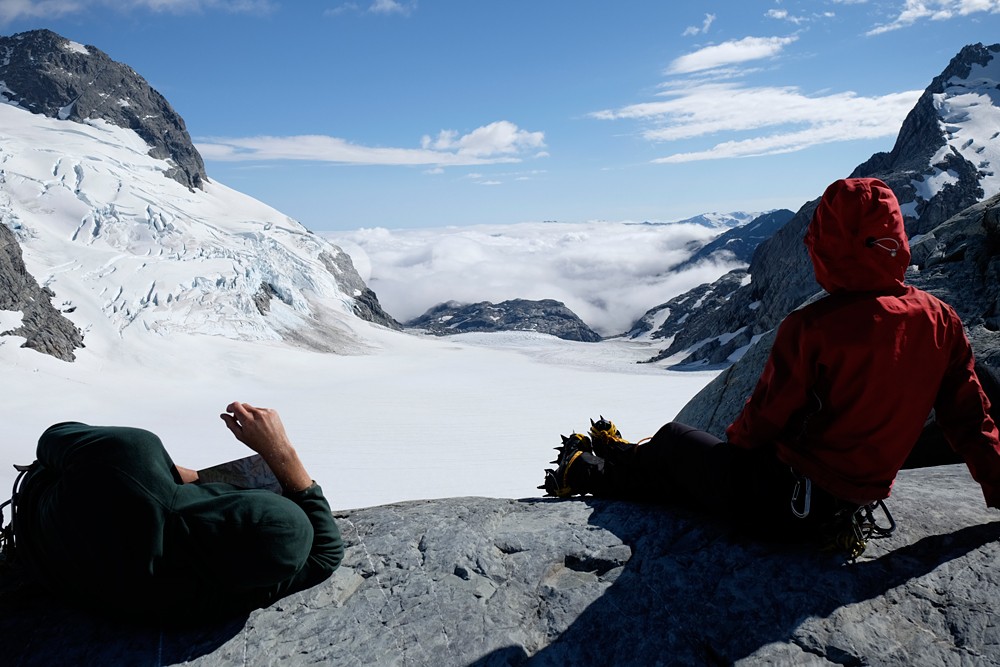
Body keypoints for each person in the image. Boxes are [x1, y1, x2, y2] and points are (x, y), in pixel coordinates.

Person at [542, 178, 1000, 550]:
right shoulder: (941, 320)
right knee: (683, 454)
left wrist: (725, 461)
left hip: (786, 506)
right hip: (847, 507)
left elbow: (758, 425)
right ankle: (621, 454)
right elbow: (971, 420)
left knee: (674, 442)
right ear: (896, 242)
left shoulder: (813, 326)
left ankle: (590, 469)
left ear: (827, 247)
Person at [7, 401, 344, 621]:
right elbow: (327, 556)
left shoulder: (129, 453)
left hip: (35, 527)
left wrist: (278, 448)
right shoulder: (211, 595)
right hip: (68, 582)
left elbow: (50, 441)